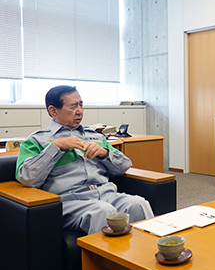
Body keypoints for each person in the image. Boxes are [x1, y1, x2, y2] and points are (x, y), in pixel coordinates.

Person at [16, 85, 154, 234]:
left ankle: (147, 254)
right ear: (53, 111)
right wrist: (56, 147)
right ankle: (105, 258)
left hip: (106, 194)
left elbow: (125, 165)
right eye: (73, 106)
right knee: (103, 211)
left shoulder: (96, 136)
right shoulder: (36, 140)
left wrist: (104, 153)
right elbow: (27, 178)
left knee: (139, 204)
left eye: (81, 105)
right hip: (70, 202)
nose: (80, 111)